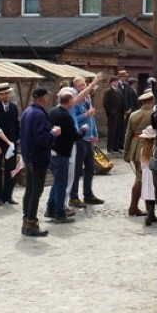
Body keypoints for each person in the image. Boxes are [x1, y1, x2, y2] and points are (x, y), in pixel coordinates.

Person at [20, 87, 61, 237]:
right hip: (37, 158)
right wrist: (53, 133)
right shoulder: (39, 114)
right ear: (43, 97)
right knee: (35, 191)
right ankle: (31, 222)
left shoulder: (27, 112)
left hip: (29, 157)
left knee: (30, 190)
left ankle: (26, 219)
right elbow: (42, 139)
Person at [47, 90, 86, 223]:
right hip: (62, 152)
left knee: (57, 182)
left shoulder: (52, 111)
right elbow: (74, 136)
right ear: (69, 102)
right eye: (72, 101)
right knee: (61, 183)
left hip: (52, 150)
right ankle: (60, 213)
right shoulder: (66, 116)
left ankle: (50, 208)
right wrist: (84, 130)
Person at [71, 75, 105, 207]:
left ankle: (88, 194)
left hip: (89, 137)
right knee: (77, 168)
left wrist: (95, 133)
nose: (82, 87)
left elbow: (92, 118)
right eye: (79, 86)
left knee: (90, 167)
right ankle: (73, 196)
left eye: (83, 84)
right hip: (80, 137)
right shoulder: (75, 101)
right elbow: (75, 119)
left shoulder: (88, 98)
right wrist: (86, 114)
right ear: (75, 88)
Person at [123, 91, 155, 217]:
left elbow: (128, 135)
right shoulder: (155, 114)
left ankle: (135, 206)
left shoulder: (133, 115)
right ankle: (138, 208)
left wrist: (126, 152)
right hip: (149, 148)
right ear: (152, 100)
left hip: (136, 148)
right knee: (146, 179)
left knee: (141, 176)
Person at [0, 83, 20, 206]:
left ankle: (8, 195)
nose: (4, 96)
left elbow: (17, 124)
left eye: (6, 93)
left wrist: (17, 139)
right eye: (1, 94)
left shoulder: (13, 107)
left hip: (11, 143)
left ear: (9, 94)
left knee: (11, 169)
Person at [138, 125, 157, 226]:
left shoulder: (143, 149)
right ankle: (150, 214)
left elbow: (142, 164)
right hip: (154, 173)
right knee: (154, 195)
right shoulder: (156, 149)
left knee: (148, 195)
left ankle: (150, 213)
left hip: (146, 173)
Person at [103, 75, 125, 154]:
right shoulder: (108, 91)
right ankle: (110, 148)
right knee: (112, 131)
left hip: (120, 114)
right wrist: (111, 112)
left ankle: (116, 147)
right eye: (115, 81)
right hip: (112, 115)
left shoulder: (119, 91)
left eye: (117, 81)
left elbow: (122, 101)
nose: (116, 83)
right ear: (111, 82)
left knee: (118, 131)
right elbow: (105, 103)